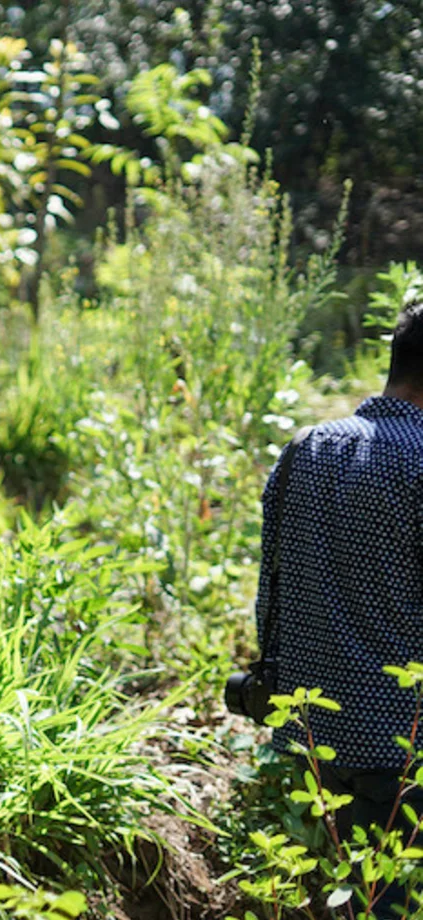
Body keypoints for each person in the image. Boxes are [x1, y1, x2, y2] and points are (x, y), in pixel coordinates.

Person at [252, 298, 423, 918]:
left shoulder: (307, 447)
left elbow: (270, 591)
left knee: (338, 898)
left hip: (312, 738)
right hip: (405, 742)